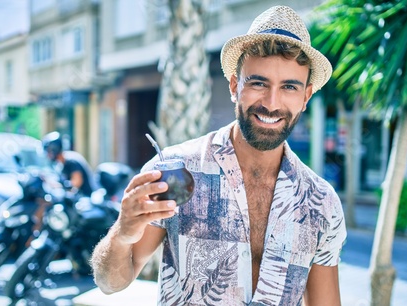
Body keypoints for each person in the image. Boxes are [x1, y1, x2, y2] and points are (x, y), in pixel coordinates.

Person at [91, 5, 347, 306]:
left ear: (305, 97)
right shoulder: (174, 173)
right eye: (258, 83)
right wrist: (122, 234)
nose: (271, 102)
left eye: (289, 87)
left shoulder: (321, 202)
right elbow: (110, 283)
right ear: (235, 86)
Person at [41, 131, 94, 197]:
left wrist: (61, 185)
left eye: (48, 151)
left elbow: (77, 182)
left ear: (54, 149)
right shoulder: (60, 164)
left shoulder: (71, 161)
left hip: (85, 199)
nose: (47, 155)